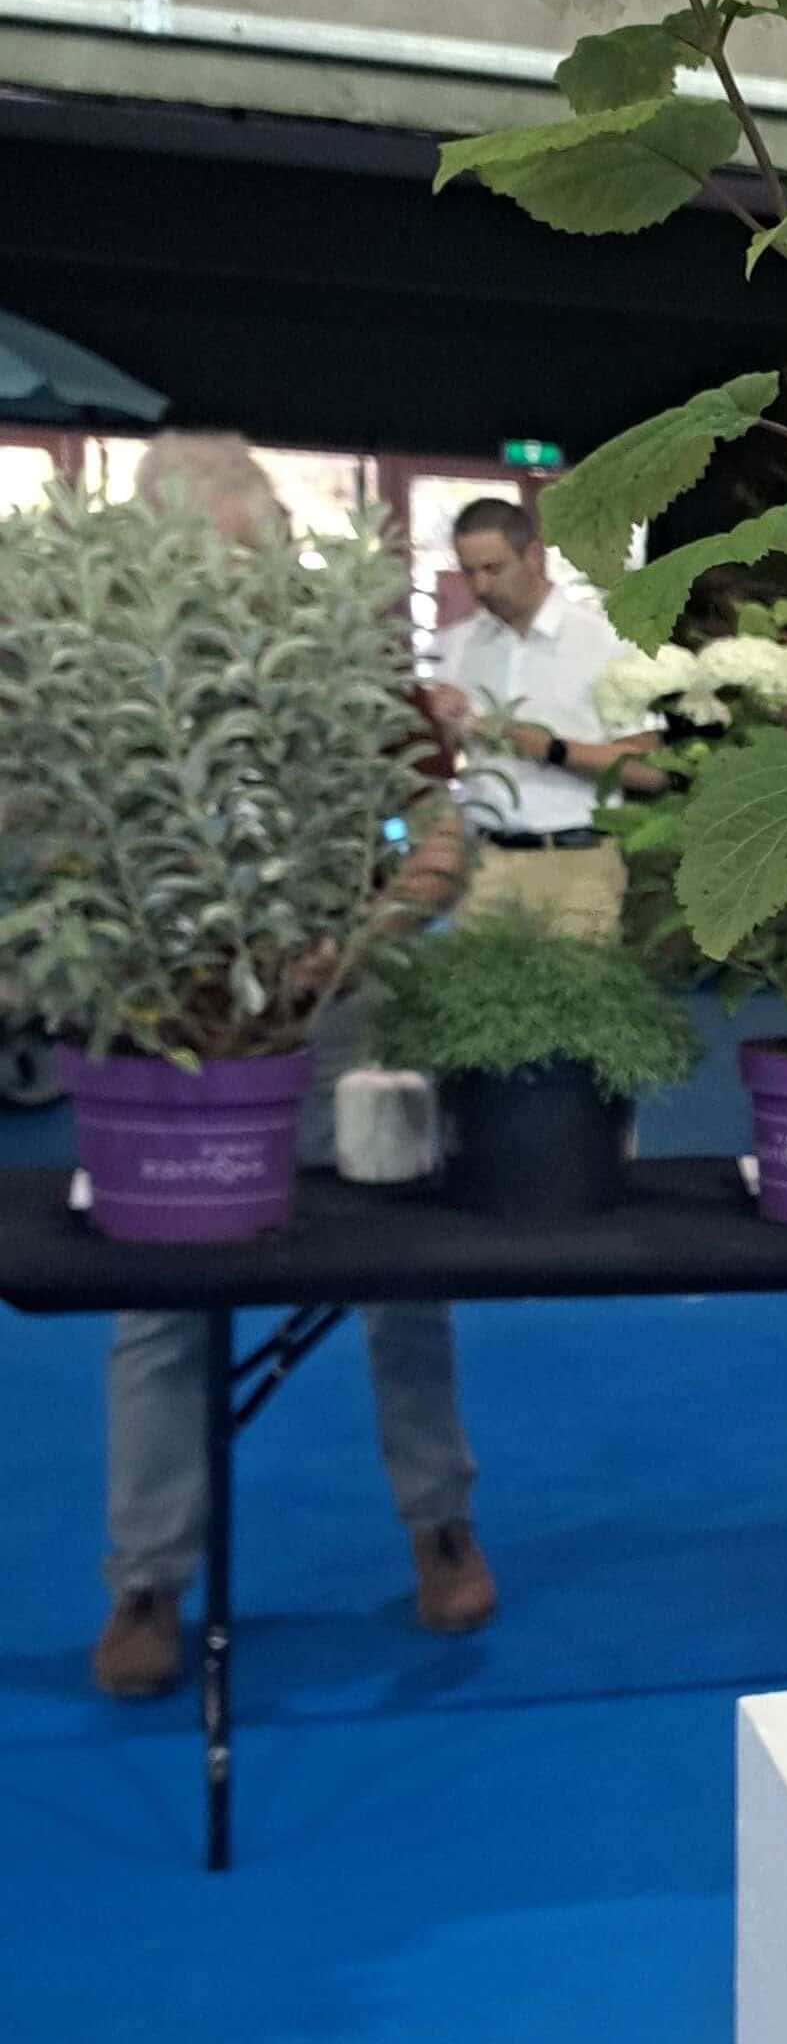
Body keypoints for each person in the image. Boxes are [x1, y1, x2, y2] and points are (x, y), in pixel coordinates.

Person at [92, 441, 496, 1694]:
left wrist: (366, 933)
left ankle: (440, 1521)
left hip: (343, 1023)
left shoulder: (352, 668)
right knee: (161, 1305)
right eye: (213, 562)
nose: (241, 583)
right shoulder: (107, 675)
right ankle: (147, 1579)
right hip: (177, 1035)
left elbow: (438, 833)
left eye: (256, 555)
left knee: (402, 1269)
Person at [423, 493, 647, 936]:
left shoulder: (607, 643)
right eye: (469, 572)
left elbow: (649, 769)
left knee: (574, 982)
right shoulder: (453, 647)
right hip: (482, 864)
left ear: (533, 556)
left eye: (493, 569)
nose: (480, 587)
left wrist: (548, 748)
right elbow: (431, 763)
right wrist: (436, 724)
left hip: (579, 866)